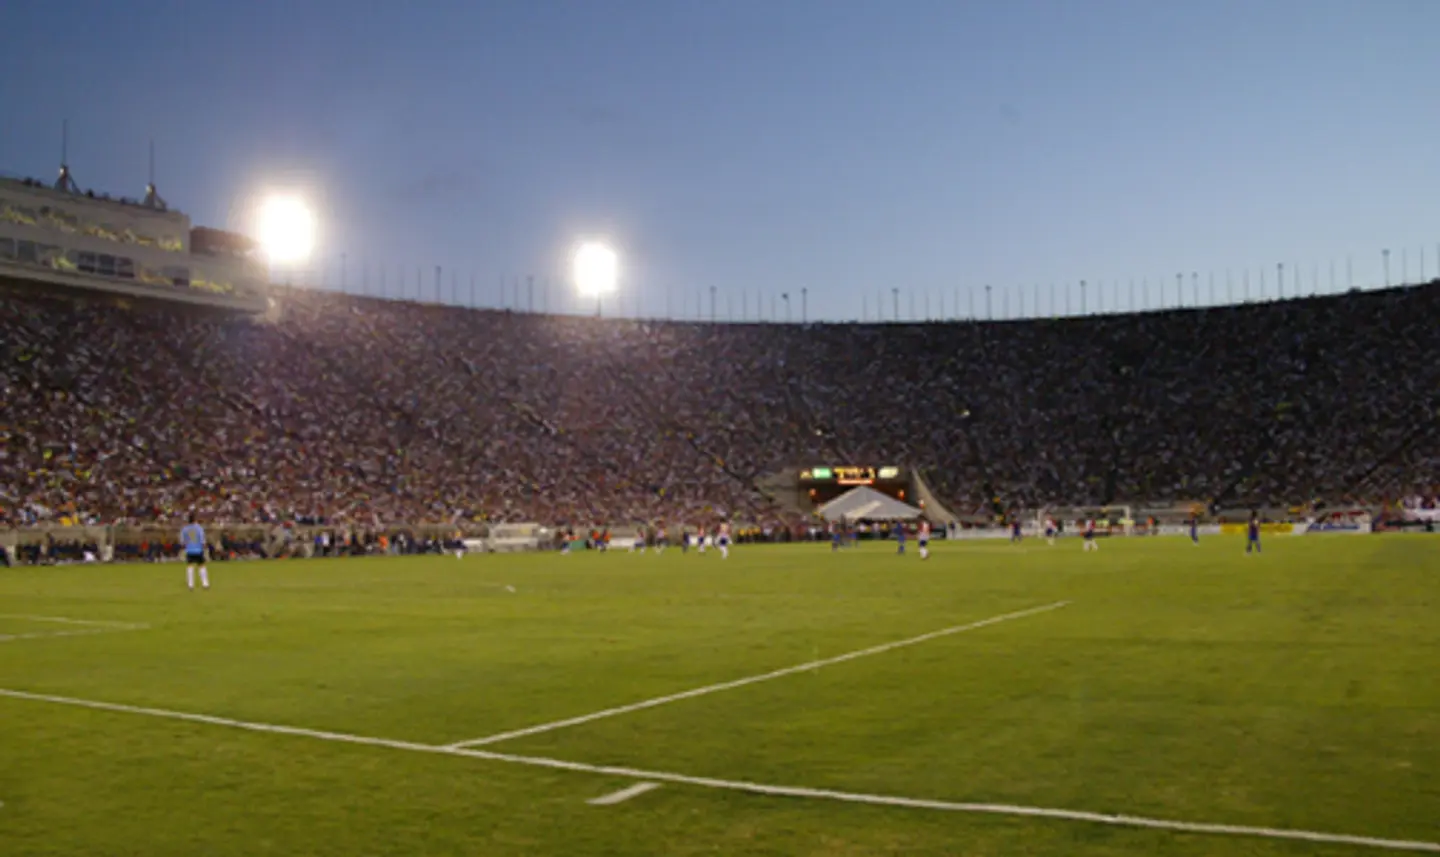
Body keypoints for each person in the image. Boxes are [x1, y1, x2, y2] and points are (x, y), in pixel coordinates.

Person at [179, 513, 210, 590]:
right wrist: (204, 547)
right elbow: (202, 540)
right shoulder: (199, 528)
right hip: (198, 549)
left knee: (190, 566)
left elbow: (182, 541)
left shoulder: (185, 529)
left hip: (189, 550)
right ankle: (205, 584)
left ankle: (190, 585)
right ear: (195, 519)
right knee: (201, 566)